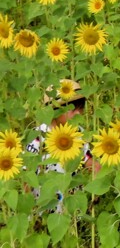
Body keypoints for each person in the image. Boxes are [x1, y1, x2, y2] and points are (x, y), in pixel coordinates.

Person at [26, 81, 98, 213]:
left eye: (80, 108)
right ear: (54, 110)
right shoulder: (39, 136)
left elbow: (90, 163)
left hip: (71, 208)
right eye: (71, 109)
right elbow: (26, 176)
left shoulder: (78, 134)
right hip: (43, 210)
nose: (78, 114)